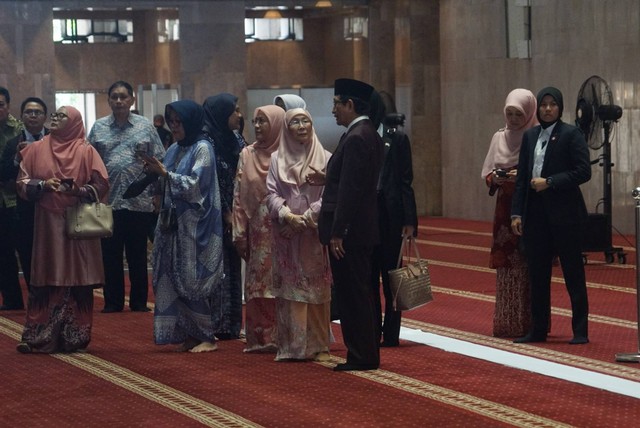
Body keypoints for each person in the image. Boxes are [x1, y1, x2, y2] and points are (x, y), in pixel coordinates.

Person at [15, 106, 110, 353]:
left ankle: (74, 336)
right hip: (47, 223)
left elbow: (101, 184)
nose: (55, 118)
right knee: (47, 276)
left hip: (78, 224)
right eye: (54, 115)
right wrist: (44, 184)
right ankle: (39, 336)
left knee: (78, 279)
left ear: (75, 122)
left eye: (62, 116)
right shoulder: (35, 149)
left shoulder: (86, 151)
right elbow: (22, 183)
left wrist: (77, 191)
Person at [511, 86, 591, 345]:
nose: (547, 109)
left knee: (573, 273)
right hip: (535, 216)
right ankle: (538, 329)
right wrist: (516, 214)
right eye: (543, 104)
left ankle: (580, 331)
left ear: (560, 107)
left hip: (566, 215)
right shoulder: (530, 136)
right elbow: (522, 178)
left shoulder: (571, 134)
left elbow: (583, 172)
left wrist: (551, 182)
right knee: (538, 275)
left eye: (552, 104)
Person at [142, 100, 224, 353]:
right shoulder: (175, 148)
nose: (174, 127)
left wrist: (165, 174)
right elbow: (166, 180)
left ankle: (207, 336)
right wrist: (154, 177)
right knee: (169, 276)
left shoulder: (203, 148)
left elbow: (196, 186)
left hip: (194, 227)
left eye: (179, 122)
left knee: (191, 279)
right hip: (171, 225)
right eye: (172, 122)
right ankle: (190, 333)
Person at [318, 78, 383, 371]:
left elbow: (351, 191)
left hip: (351, 232)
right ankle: (363, 352)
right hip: (360, 229)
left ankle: (361, 355)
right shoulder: (365, 133)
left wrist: (338, 232)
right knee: (359, 292)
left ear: (350, 105)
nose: (333, 110)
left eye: (336, 104)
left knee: (353, 295)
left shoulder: (357, 137)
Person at [88, 81, 165, 313]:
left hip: (138, 201)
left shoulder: (146, 127)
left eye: (123, 97)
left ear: (132, 100)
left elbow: (159, 160)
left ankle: (139, 302)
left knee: (137, 255)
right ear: (109, 100)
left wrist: (158, 194)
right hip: (108, 201)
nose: (119, 101)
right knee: (110, 255)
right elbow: (88, 161)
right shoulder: (98, 127)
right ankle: (112, 302)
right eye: (114, 97)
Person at [266, 108, 332, 361]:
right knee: (290, 292)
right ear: (286, 127)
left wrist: (304, 220)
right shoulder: (276, 160)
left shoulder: (326, 158)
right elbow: (270, 193)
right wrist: (286, 215)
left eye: (306, 120)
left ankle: (318, 345)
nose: (302, 125)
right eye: (295, 122)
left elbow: (329, 196)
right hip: (285, 236)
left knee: (315, 292)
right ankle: (292, 346)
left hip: (312, 234)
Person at [481, 89, 538, 338]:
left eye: (519, 114)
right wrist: (498, 177)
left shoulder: (535, 137)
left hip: (530, 207)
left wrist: (522, 177)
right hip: (505, 211)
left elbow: (541, 173)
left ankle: (532, 323)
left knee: (529, 266)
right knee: (507, 268)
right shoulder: (499, 137)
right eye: (510, 113)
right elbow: (488, 175)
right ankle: (507, 322)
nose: (514, 119)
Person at [232, 105, 284, 353]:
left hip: (284, 230)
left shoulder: (288, 153)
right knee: (258, 283)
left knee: (283, 283)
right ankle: (260, 337)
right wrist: (239, 232)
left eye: (264, 121)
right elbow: (239, 196)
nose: (258, 126)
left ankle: (284, 335)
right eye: (255, 121)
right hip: (257, 230)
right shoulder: (247, 154)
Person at [368, 90, 418, 347]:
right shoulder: (360, 136)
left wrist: (410, 221)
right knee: (369, 279)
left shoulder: (397, 138)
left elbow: (405, 181)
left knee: (392, 279)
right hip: (367, 217)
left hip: (391, 217)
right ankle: (373, 331)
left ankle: (391, 333)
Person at [203, 93, 245, 339]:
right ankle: (215, 323)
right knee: (217, 268)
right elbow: (210, 182)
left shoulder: (236, 139)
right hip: (214, 215)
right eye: (234, 111)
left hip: (236, 212)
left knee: (233, 265)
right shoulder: (207, 142)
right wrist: (225, 212)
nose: (239, 115)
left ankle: (231, 324)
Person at [0, 97, 49, 292]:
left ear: (45, 116)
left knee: (53, 253)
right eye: (29, 112)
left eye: (37, 112)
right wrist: (16, 159)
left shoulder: (56, 139)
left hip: (53, 205)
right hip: (24, 208)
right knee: (27, 252)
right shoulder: (14, 142)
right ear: (22, 116)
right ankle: (35, 297)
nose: (33, 115)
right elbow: (3, 172)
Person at [0, 86, 25, 310]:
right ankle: (11, 300)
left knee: (21, 250)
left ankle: (32, 300)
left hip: (14, 199)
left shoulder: (20, 130)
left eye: (0, 105)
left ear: (8, 105)